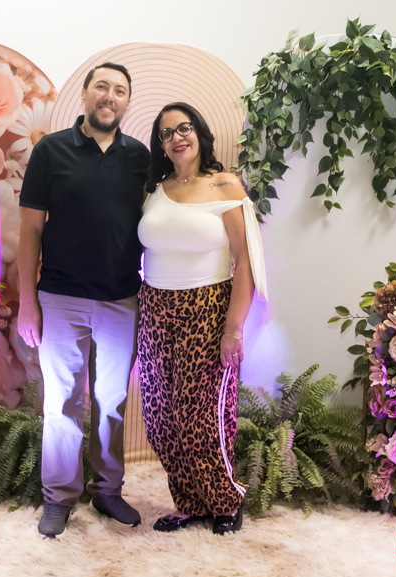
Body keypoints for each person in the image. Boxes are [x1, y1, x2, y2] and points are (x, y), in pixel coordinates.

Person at [16, 63, 151, 538]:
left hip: (121, 298)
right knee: (61, 404)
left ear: (127, 101)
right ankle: (58, 497)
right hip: (60, 296)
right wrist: (27, 301)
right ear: (86, 94)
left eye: (120, 90)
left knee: (112, 401)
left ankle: (107, 490)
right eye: (102, 87)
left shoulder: (140, 158)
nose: (110, 96)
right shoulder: (50, 151)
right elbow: (30, 231)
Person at [137, 102, 268, 535]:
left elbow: (244, 260)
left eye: (184, 128)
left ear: (199, 132)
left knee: (202, 415)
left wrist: (234, 328)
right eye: (166, 133)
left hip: (207, 308)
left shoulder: (224, 183)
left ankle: (226, 500)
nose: (177, 137)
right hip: (155, 307)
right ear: (160, 144)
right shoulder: (154, 188)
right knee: (159, 415)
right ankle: (190, 501)